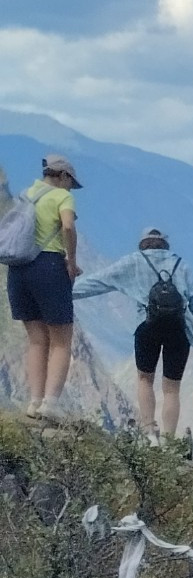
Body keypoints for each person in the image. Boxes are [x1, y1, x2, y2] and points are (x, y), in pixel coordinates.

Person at [73, 226, 193, 442]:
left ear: (143, 244)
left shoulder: (133, 262)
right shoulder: (180, 264)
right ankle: (169, 441)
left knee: (145, 379)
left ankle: (149, 433)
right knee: (172, 388)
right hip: (179, 329)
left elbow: (99, 282)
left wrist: (64, 293)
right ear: (165, 244)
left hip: (147, 328)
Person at [6, 154, 82, 412]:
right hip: (49, 266)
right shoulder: (62, 197)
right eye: (71, 182)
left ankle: (34, 401)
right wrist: (71, 261)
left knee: (36, 340)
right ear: (63, 176)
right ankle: (50, 404)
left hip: (18, 269)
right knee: (62, 339)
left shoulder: (26, 194)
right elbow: (68, 227)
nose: (72, 188)